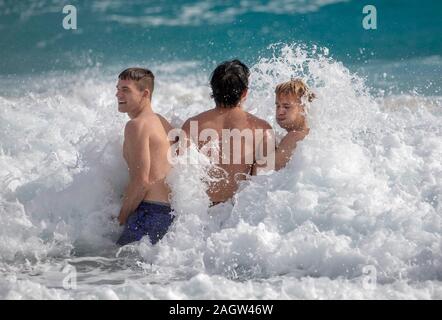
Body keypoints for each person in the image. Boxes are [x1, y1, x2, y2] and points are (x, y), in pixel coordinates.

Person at [180, 60, 273, 204]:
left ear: (213, 90)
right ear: (244, 92)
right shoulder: (262, 129)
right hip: (237, 218)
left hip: (198, 216)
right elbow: (262, 184)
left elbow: (180, 177)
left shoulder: (191, 125)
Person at [115, 67, 175, 246]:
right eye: (117, 89)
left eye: (125, 90)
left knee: (118, 269)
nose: (118, 95)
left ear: (145, 93)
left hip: (148, 213)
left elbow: (142, 182)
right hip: (167, 214)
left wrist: (120, 219)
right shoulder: (160, 121)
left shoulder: (136, 125)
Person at [273, 79, 315, 170]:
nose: (280, 111)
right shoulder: (307, 134)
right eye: (277, 106)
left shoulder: (293, 136)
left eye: (286, 107)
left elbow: (271, 168)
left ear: (303, 108)